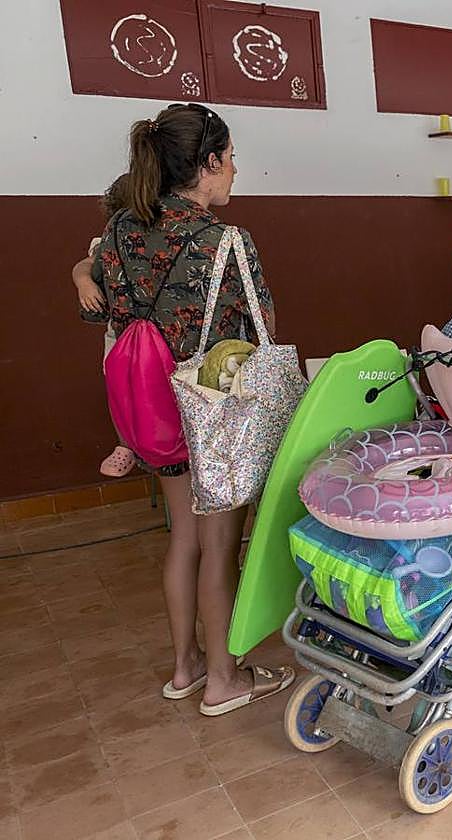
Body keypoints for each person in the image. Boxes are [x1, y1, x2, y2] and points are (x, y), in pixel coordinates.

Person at [88, 103, 293, 715]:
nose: (234, 170)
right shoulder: (225, 240)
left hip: (148, 408)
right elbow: (265, 329)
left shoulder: (123, 228)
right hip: (212, 415)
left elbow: (95, 305)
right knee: (219, 545)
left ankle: (186, 668)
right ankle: (226, 680)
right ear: (206, 163)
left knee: (182, 538)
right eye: (229, 159)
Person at [73, 175, 137, 477]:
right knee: (118, 387)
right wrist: (84, 282)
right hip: (120, 335)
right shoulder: (108, 241)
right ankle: (125, 443)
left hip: (159, 337)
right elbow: (83, 265)